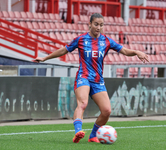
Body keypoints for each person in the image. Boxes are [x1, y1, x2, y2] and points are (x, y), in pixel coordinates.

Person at [34, 13, 149, 143]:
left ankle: (93, 135)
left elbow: (124, 51)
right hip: (83, 77)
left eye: (101, 25)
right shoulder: (81, 39)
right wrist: (45, 58)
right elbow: (63, 50)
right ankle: (78, 131)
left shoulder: (106, 41)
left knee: (106, 111)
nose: (98, 27)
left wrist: (136, 52)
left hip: (98, 80)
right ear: (89, 24)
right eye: (96, 24)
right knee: (82, 103)